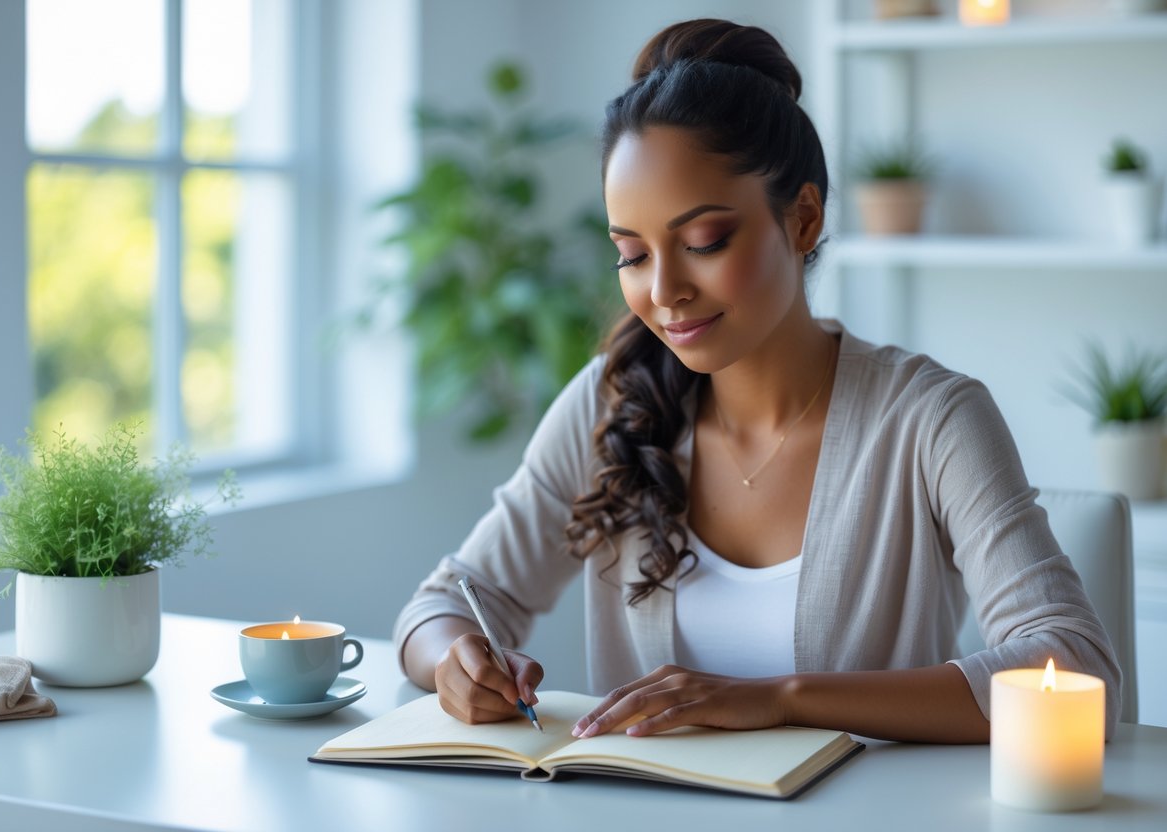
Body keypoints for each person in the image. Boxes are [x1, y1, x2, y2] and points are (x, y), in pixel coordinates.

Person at [393, 18, 1121, 743]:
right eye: (631, 254)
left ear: (801, 219)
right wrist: (455, 659)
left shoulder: (928, 419)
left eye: (703, 242)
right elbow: (443, 605)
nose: (665, 289)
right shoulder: (611, 399)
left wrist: (781, 698)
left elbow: (1078, 670)